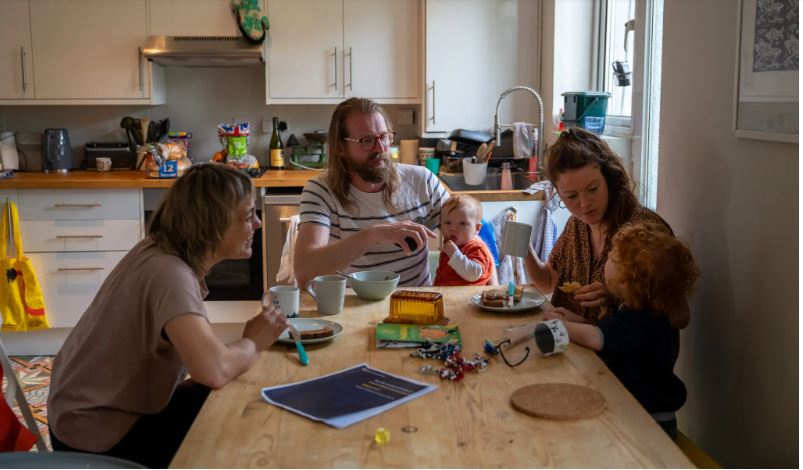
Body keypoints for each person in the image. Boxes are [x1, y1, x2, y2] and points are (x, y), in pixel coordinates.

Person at [47, 164, 289, 468]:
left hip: (80, 414)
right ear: (212, 224)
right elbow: (213, 370)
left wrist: (244, 349)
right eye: (248, 215)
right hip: (96, 437)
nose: (257, 223)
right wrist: (253, 342)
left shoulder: (155, 250)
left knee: (238, 387)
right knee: (243, 413)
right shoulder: (170, 275)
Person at [544, 222, 699, 438]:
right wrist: (576, 319)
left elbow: (597, 338)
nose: (606, 258)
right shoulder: (650, 313)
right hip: (655, 415)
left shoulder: (638, 320)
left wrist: (561, 326)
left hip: (645, 422)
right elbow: (613, 335)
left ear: (626, 281)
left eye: (611, 257)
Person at [524, 127, 690, 328]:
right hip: (577, 341)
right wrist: (524, 248)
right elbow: (548, 281)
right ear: (559, 194)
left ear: (609, 178)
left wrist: (620, 297)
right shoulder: (576, 226)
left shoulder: (645, 230)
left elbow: (680, 317)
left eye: (593, 189)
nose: (585, 203)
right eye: (572, 196)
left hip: (622, 349)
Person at [294, 98, 449, 288]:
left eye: (383, 137)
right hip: (353, 303)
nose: (381, 148)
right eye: (366, 141)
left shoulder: (423, 181)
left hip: (417, 302)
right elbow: (304, 272)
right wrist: (374, 235)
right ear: (341, 148)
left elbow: (469, 235)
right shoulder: (321, 190)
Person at [433, 194, 494, 286]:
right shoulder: (451, 247)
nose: (453, 228)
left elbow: (473, 274)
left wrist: (455, 255)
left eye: (462, 223)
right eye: (448, 223)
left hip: (469, 294)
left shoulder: (476, 248)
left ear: (477, 228)